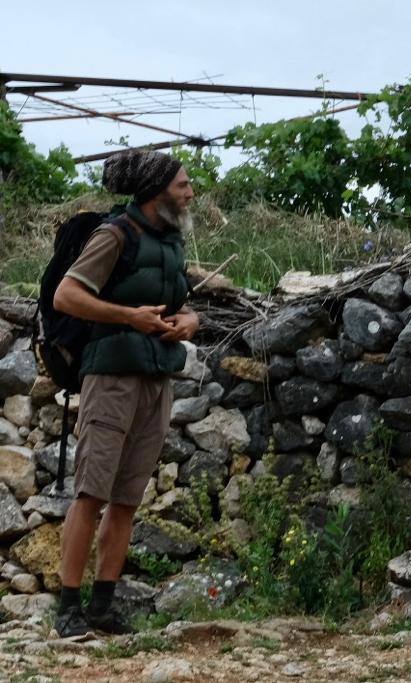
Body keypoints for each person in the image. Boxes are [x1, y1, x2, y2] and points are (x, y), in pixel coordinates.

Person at [52, 150, 200, 637]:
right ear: (159, 191)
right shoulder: (114, 234)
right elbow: (66, 296)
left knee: (127, 498)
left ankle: (103, 607)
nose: (190, 191)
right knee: (91, 492)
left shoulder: (171, 241)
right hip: (110, 378)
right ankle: (68, 609)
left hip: (156, 379)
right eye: (182, 184)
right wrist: (128, 317)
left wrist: (189, 321)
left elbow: (183, 305)